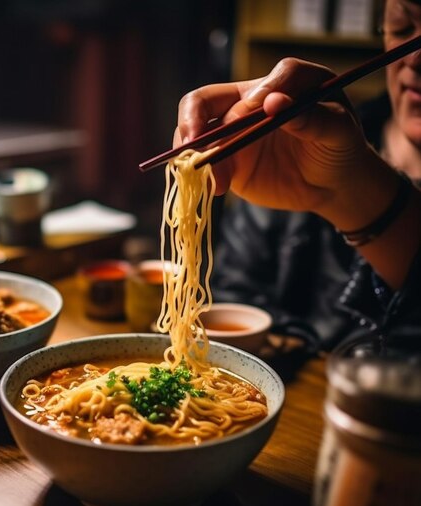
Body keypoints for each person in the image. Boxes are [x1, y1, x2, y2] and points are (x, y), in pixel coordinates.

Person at [174, 0, 421, 351]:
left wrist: (353, 194)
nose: (415, 58)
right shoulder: (303, 138)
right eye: (401, 27)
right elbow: (232, 292)